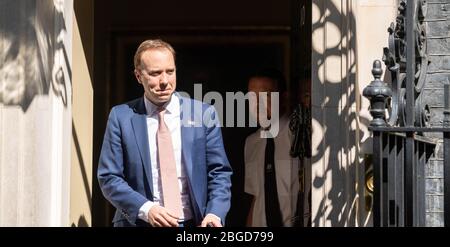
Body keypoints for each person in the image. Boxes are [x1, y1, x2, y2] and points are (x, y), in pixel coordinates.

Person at [97, 39, 232, 227]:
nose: (164, 81)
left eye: (170, 71)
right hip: (139, 222)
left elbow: (219, 173)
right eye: (155, 73)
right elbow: (109, 177)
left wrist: (215, 213)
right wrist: (146, 208)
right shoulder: (121, 117)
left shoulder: (203, 114)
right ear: (138, 76)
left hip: (194, 223)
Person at [244, 69, 300, 227]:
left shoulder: (299, 135)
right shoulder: (252, 142)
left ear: (284, 98)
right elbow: (256, 197)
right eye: (251, 97)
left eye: (265, 96)